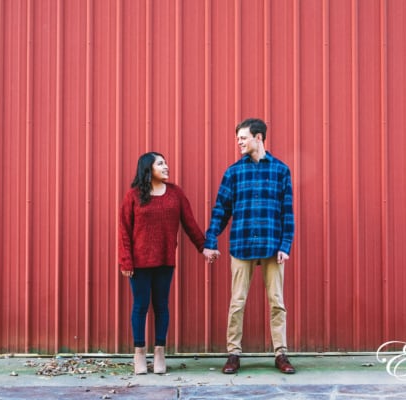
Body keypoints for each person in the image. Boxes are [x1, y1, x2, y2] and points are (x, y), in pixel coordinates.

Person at [203, 118, 296, 374]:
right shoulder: (233, 172)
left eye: (243, 137)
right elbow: (221, 210)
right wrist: (210, 241)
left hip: (271, 244)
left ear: (259, 137)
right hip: (241, 244)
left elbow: (287, 212)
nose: (239, 142)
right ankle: (233, 354)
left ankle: (281, 354)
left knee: (277, 302)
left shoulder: (280, 170)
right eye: (238, 138)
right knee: (237, 302)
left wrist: (285, 245)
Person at [119, 152, 218, 375]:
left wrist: (204, 248)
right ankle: (139, 353)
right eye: (161, 163)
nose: (166, 166)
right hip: (139, 263)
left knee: (162, 306)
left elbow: (190, 223)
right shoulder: (133, 196)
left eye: (166, 163)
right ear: (148, 168)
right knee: (141, 305)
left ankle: (160, 353)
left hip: (165, 261)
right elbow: (124, 230)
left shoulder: (175, 194)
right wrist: (125, 260)